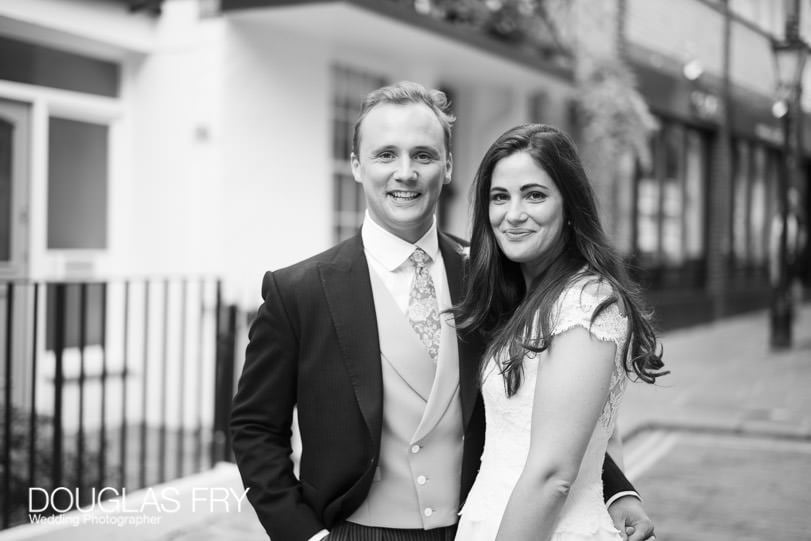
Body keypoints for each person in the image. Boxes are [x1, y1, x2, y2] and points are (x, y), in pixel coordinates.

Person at [230, 82, 655, 541]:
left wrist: (615, 490)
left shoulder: (494, 277)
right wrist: (304, 536)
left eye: (424, 155)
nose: (405, 173)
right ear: (356, 165)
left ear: (448, 166)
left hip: (477, 529)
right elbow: (254, 429)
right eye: (385, 155)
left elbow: (546, 408)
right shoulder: (298, 291)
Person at [453, 123, 667, 541]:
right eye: (500, 197)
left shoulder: (583, 303)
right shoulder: (530, 293)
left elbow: (554, 475)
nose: (513, 214)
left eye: (534, 195)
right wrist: (618, 491)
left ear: (569, 206)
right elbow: (597, 427)